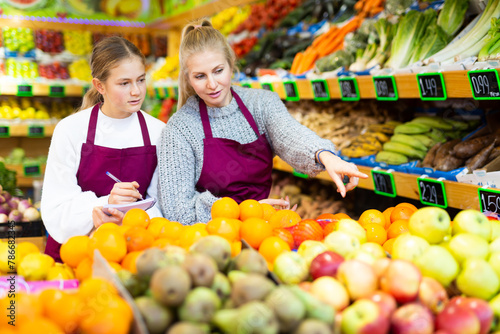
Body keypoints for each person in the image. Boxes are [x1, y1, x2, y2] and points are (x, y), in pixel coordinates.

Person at [157, 19, 368, 225]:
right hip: (209, 241)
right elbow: (178, 212)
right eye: (200, 76)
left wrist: (325, 156)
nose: (212, 84)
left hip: (263, 230)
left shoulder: (260, 104)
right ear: (188, 78)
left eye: (218, 71)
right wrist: (247, 212)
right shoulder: (179, 130)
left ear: (231, 64)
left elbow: (289, 134)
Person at [41, 36, 165, 261]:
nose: (136, 91)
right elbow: (56, 205)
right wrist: (104, 204)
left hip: (133, 251)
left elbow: (161, 204)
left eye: (141, 80)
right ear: (100, 85)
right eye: (124, 83)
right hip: (75, 251)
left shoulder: (159, 132)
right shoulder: (70, 130)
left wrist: (126, 215)